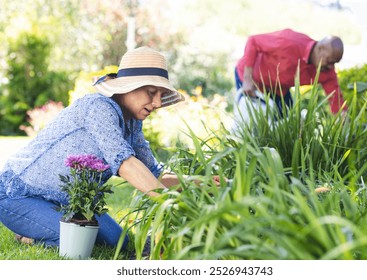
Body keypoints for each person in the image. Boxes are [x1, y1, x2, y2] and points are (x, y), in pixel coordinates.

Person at [0, 47, 222, 249]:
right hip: (20, 195)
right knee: (79, 244)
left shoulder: (132, 123)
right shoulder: (98, 108)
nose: (156, 103)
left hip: (70, 202)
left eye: (161, 95)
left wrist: (200, 183)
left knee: (121, 244)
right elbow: (125, 164)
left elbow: (154, 173)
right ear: (128, 87)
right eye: (151, 92)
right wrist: (167, 202)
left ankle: (43, 225)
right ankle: (29, 234)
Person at [233, 28, 347, 129]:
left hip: (278, 90)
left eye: (334, 63)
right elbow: (253, 41)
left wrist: (345, 126)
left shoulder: (326, 71)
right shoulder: (289, 41)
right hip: (251, 79)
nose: (332, 67)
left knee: (289, 127)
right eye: (329, 61)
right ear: (320, 48)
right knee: (250, 125)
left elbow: (337, 102)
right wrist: (247, 78)